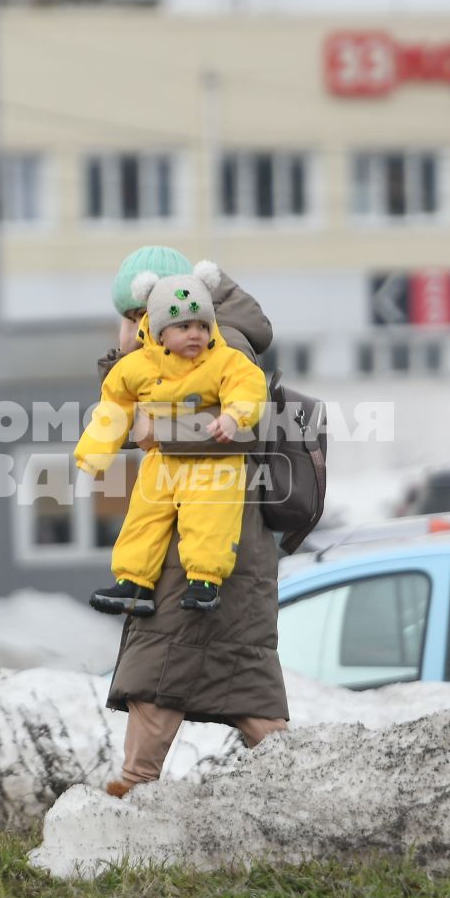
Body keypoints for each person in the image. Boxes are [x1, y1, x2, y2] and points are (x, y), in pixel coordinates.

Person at [95, 247, 289, 798]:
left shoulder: (220, 342)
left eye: (134, 318)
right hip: (202, 539)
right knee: (231, 676)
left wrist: (159, 427)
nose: (135, 330)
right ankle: (299, 783)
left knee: (166, 667)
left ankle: (134, 786)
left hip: (214, 542)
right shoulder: (184, 341)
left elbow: (240, 427)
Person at [74, 266, 265, 616]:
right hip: (162, 461)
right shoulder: (137, 367)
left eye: (202, 325)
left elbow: (248, 386)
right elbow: (114, 404)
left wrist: (233, 415)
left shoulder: (224, 359)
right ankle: (133, 581)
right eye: (183, 325)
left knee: (209, 517)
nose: (195, 334)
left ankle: (205, 580)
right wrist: (94, 452)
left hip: (213, 461)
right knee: (144, 516)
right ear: (160, 332)